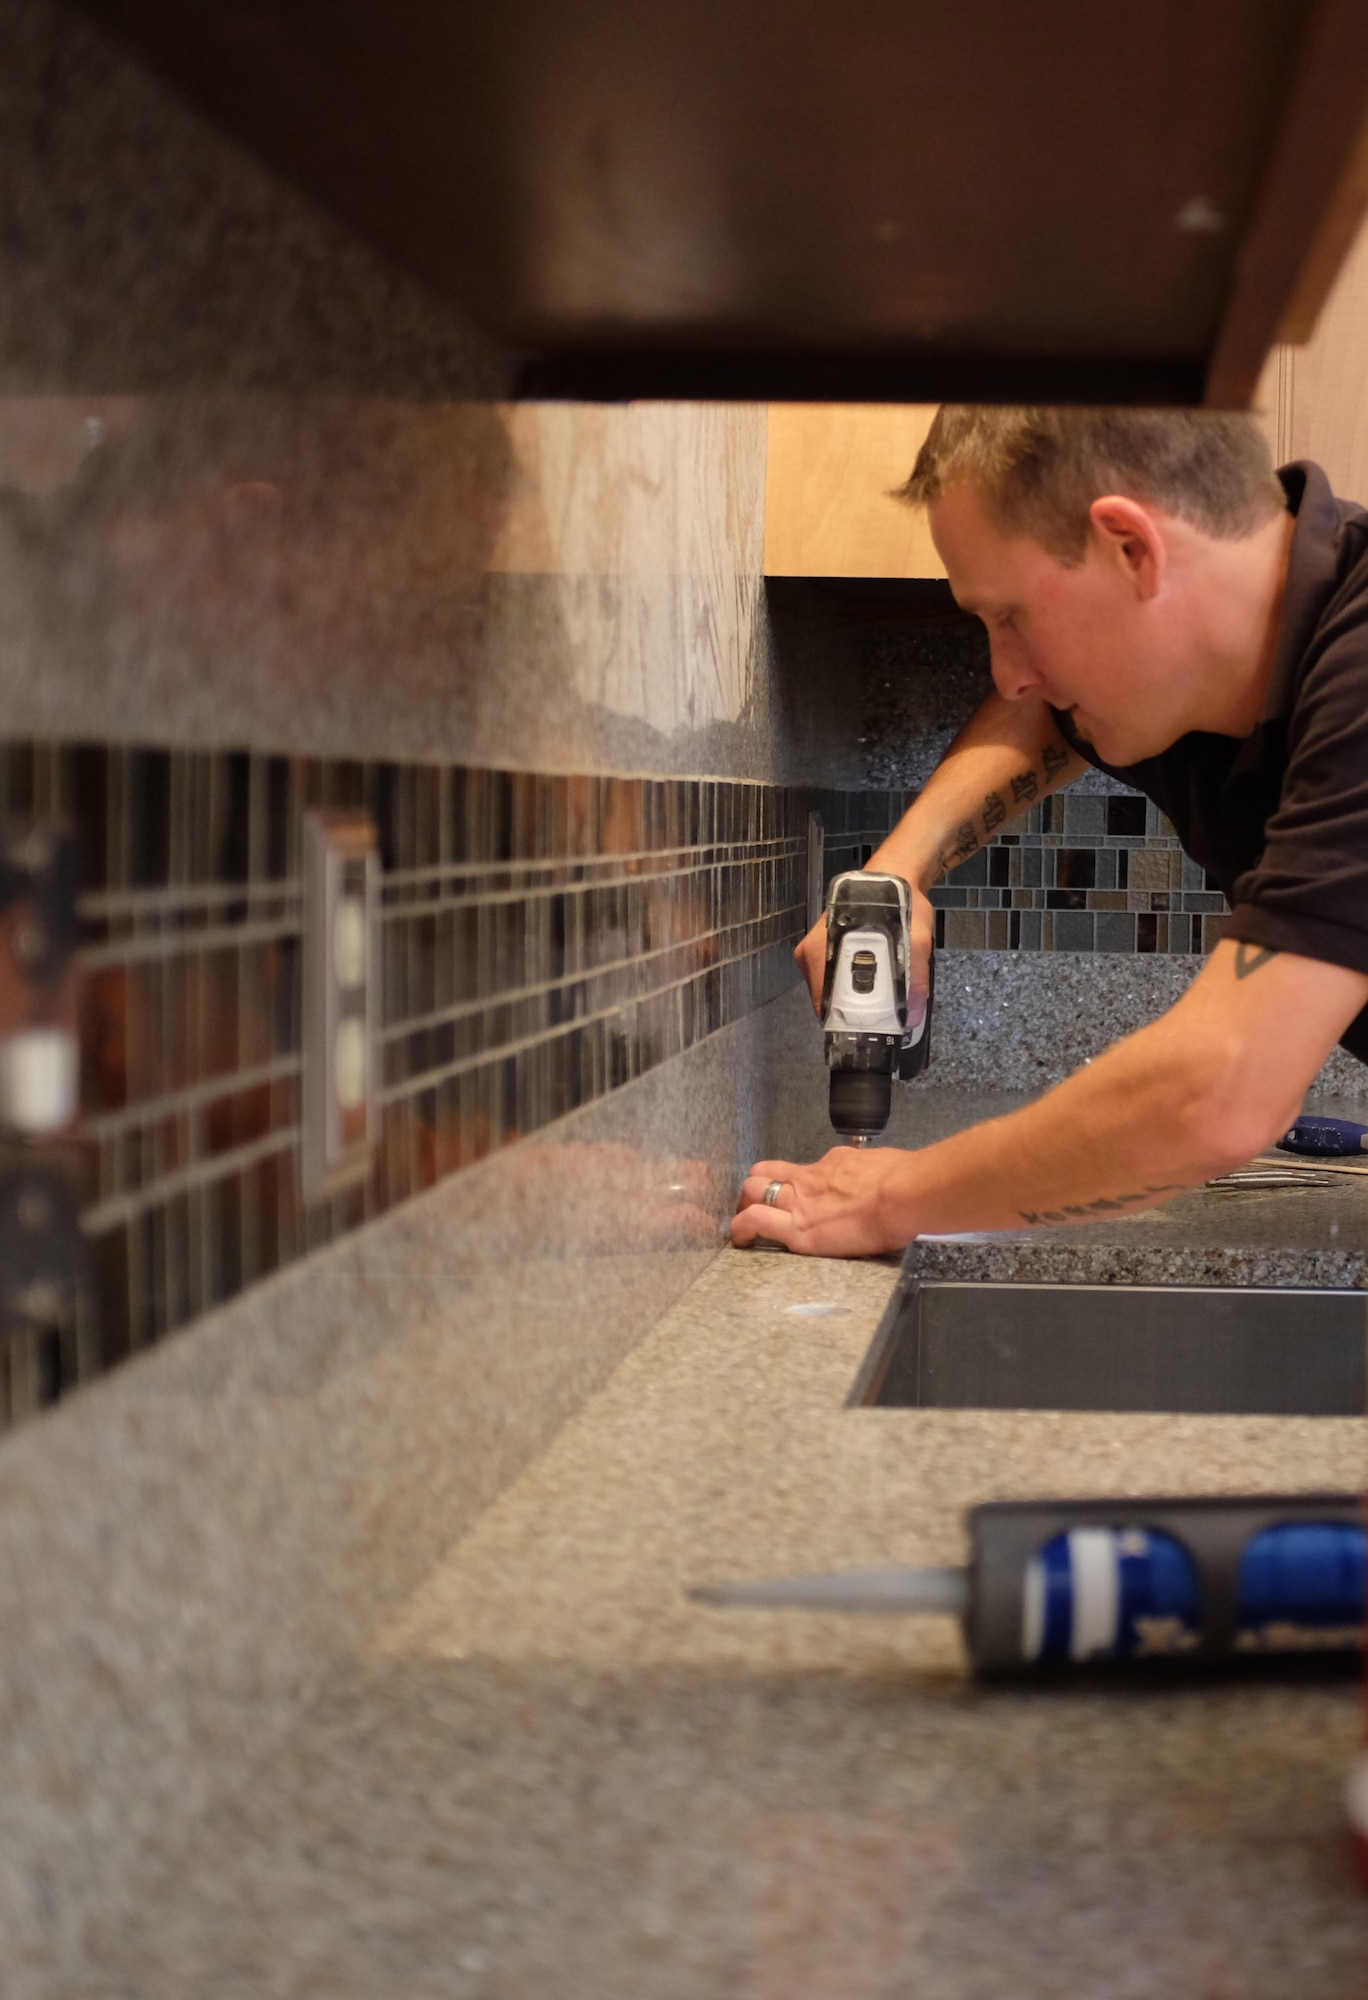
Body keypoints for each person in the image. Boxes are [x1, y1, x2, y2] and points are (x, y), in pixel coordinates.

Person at [733, 405, 1368, 1256]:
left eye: (1011, 616)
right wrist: (896, 875)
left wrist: (896, 1200)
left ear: (1131, 548)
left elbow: (1216, 1100)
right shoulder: (1201, 679)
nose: (1006, 672)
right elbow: (1040, 719)